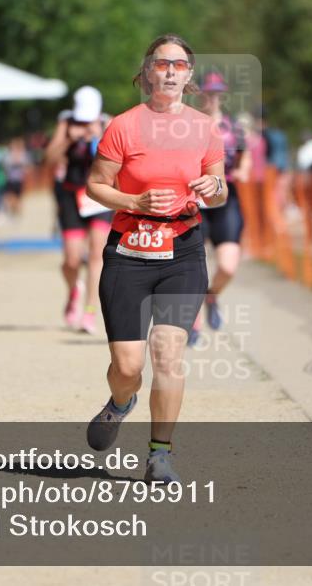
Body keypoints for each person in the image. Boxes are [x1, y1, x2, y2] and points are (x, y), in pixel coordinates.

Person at [84, 33, 226, 483]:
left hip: (182, 251)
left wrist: (212, 188)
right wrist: (134, 202)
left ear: (189, 77)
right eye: (161, 63)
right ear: (146, 72)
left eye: (179, 65)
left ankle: (159, 453)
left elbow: (219, 190)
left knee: (168, 353)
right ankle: (121, 402)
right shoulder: (124, 125)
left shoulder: (204, 127)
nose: (169, 71)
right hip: (129, 251)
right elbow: (95, 185)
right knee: (128, 367)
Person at [45, 86, 113, 334]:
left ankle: (90, 313)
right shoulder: (66, 122)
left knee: (97, 254)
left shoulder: (108, 122)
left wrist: (100, 136)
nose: (85, 123)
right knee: (71, 260)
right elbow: (50, 157)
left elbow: (120, 161)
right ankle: (74, 289)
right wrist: (69, 138)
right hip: (71, 195)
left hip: (100, 196)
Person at [192, 71, 250, 345]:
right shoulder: (187, 125)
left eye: (217, 93)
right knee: (193, 265)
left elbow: (244, 157)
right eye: (208, 92)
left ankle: (211, 295)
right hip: (195, 200)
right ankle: (192, 321)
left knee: (227, 267)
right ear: (199, 93)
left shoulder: (233, 128)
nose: (213, 97)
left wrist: (242, 171)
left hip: (226, 199)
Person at [1, 136, 29, 217]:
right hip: (10, 180)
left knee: (19, 198)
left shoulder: (24, 155)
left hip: (20, 180)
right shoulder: (8, 155)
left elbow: (27, 167)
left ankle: (17, 212)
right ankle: (11, 212)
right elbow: (5, 166)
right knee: (9, 197)